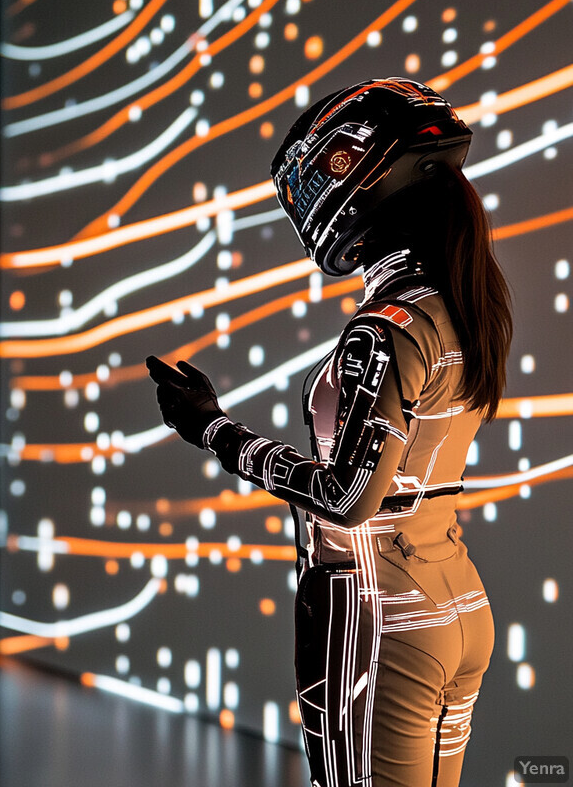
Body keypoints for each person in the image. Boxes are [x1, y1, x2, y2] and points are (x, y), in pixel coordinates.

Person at [146, 77, 513, 787]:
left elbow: (348, 496)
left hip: (381, 608)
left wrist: (214, 431)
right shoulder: (462, 305)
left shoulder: (385, 327)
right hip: (455, 597)